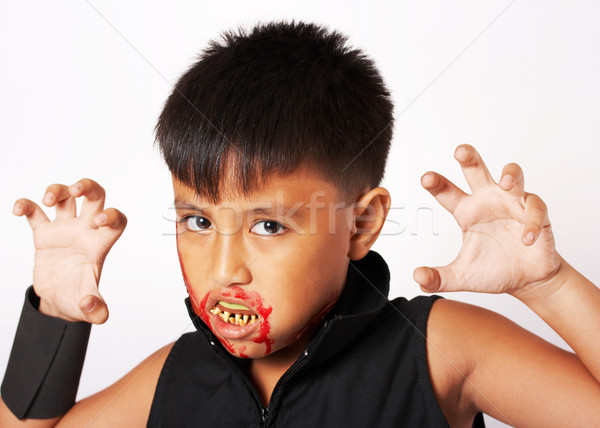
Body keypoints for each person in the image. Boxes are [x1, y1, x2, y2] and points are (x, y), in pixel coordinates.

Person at [1, 20, 599, 427]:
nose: (225, 267)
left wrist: (550, 287)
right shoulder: (173, 376)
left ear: (361, 225)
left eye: (268, 227)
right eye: (198, 221)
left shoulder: (440, 347)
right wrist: (52, 314)